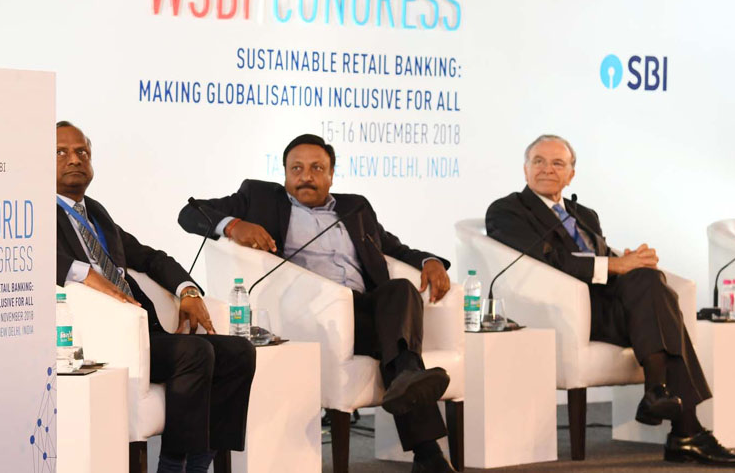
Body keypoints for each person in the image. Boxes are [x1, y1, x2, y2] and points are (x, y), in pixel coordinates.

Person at [180, 133, 457, 473]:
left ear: (331, 175)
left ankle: (409, 380)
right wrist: (233, 225)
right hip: (314, 316)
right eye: (296, 168)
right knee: (401, 358)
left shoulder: (356, 207)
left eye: (316, 168)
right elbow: (189, 213)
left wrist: (430, 260)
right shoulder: (259, 197)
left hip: (368, 313)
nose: (306, 176)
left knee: (401, 288)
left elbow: (394, 249)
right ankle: (427, 451)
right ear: (284, 173)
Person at [486, 134, 735, 467]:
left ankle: (661, 399)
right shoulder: (507, 210)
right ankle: (683, 428)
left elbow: (601, 259)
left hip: (610, 306)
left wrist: (630, 261)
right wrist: (616, 265)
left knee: (649, 282)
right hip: (565, 312)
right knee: (659, 303)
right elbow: (547, 260)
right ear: (525, 169)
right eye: (538, 161)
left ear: (571, 174)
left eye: (557, 163)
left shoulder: (584, 214)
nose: (547, 169)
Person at [55, 121, 255, 473]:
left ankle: (201, 460)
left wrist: (187, 290)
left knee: (239, 351)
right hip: (100, 337)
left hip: (142, 329)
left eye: (82, 152)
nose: (74, 159)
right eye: (61, 152)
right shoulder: (33, 211)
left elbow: (150, 258)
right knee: (195, 352)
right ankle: (173, 465)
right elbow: (33, 256)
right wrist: (85, 273)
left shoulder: (95, 213)